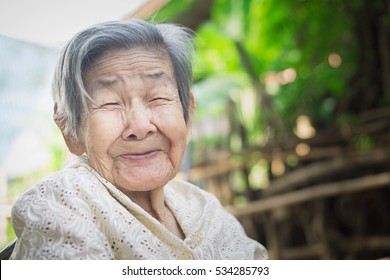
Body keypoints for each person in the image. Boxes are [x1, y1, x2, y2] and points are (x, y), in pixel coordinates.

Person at [10, 20, 268, 260]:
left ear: (188, 115)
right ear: (70, 129)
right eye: (110, 103)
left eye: (157, 98)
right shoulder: (58, 204)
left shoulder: (203, 209)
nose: (140, 127)